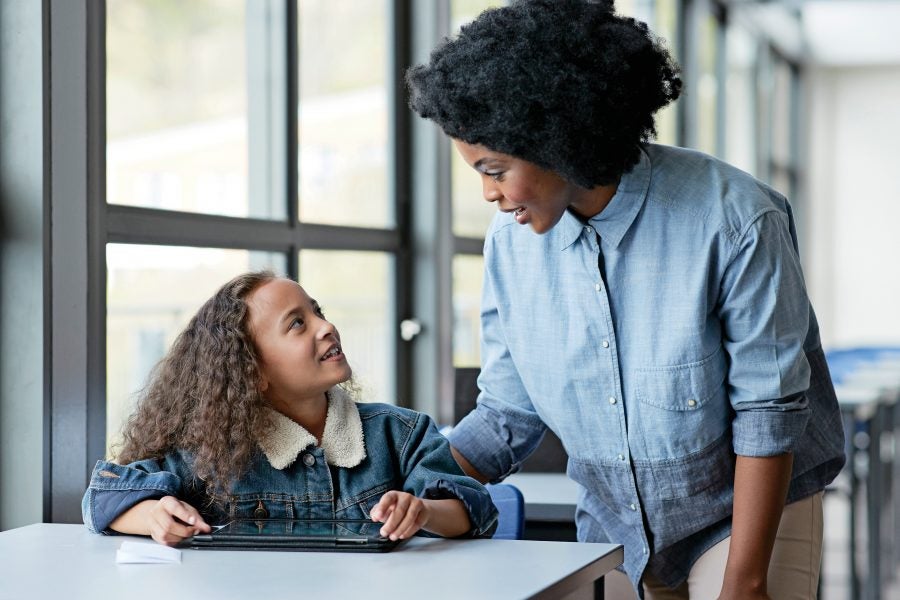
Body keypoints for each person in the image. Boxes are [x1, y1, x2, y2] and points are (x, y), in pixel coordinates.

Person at [406, 1, 844, 598]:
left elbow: (768, 415)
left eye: (496, 169)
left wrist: (744, 583)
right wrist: (402, 479)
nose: (487, 193)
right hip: (616, 527)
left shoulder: (735, 217)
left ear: (558, 140)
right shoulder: (511, 246)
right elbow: (509, 415)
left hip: (743, 517)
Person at [82, 271, 497, 546]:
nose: (325, 326)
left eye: (317, 311)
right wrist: (152, 516)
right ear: (252, 371)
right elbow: (102, 496)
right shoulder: (207, 454)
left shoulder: (401, 433)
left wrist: (424, 511)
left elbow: (474, 509)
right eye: (297, 323)